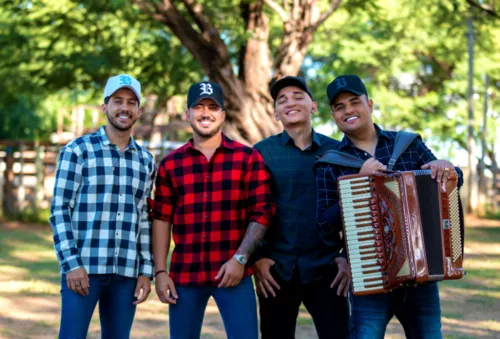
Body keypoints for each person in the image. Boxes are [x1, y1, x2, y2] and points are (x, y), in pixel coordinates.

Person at [315, 74, 464, 339]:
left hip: (422, 276)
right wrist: (357, 185)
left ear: (369, 105)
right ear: (334, 115)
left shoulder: (407, 145)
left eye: (354, 102)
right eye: (339, 107)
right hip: (370, 279)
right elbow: (324, 225)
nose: (348, 110)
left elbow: (450, 182)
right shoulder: (329, 162)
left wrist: (447, 167)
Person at [149, 81, 275, 339]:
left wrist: (240, 259)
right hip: (185, 274)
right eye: (198, 107)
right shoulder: (171, 165)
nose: (205, 113)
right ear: (187, 114)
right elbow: (161, 219)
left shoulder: (247, 158)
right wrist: (160, 272)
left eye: (212, 107)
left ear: (223, 115)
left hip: (234, 274)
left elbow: (262, 212)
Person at [49, 74, 156, 339]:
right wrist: (71, 263)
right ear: (104, 107)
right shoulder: (77, 151)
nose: (124, 107)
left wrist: (146, 271)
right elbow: (60, 209)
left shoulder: (146, 161)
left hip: (126, 273)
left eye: (131, 102)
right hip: (84, 269)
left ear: (138, 111)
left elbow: (144, 218)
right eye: (117, 100)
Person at [252, 76, 350, 339]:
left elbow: (354, 205)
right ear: (275, 113)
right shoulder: (261, 152)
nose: (290, 103)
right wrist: (256, 259)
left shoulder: (337, 150)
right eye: (282, 100)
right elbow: (249, 208)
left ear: (313, 106)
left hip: (328, 269)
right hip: (275, 271)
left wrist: (347, 257)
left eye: (298, 96)